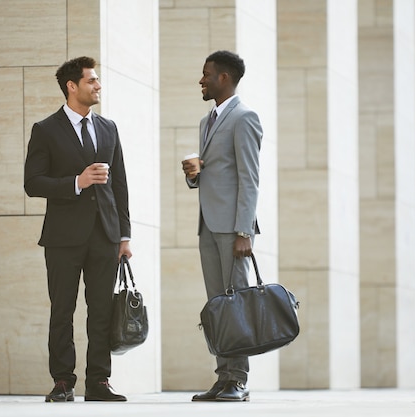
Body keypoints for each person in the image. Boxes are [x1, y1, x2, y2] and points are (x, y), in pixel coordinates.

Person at [24, 56, 132, 403]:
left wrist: (124, 236)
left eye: (97, 80)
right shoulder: (46, 130)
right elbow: (32, 182)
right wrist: (76, 182)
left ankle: (99, 382)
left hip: (105, 234)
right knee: (62, 310)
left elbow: (120, 186)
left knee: (101, 310)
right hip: (63, 237)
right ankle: (63, 381)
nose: (98, 85)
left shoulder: (108, 128)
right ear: (72, 86)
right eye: (91, 81)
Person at [182, 50, 263, 402]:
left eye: (206, 74)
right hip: (207, 225)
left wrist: (244, 231)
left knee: (237, 304)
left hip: (233, 229)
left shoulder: (245, 117)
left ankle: (239, 379)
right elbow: (217, 173)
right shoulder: (206, 122)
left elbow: (250, 179)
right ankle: (223, 375)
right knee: (218, 305)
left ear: (224, 78)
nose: (201, 80)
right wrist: (194, 175)